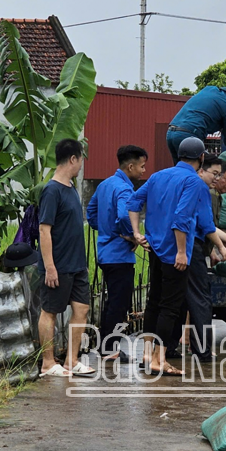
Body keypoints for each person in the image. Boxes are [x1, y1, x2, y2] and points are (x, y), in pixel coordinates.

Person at [128, 137, 226, 376]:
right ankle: (159, 360)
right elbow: (181, 219)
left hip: (154, 249)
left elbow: (133, 202)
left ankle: (147, 353)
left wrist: (136, 233)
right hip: (175, 253)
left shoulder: (157, 176)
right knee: (170, 307)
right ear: (201, 159)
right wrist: (182, 252)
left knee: (153, 302)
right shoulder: (193, 182)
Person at [174, 154, 226, 362]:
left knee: (180, 298)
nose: (220, 180)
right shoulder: (204, 191)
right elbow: (206, 226)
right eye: (217, 175)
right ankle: (202, 349)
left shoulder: (175, 182)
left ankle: (175, 344)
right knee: (200, 299)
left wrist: (221, 246)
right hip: (191, 248)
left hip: (183, 247)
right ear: (201, 170)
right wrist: (225, 247)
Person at [38, 139, 96, 377]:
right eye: (80, 159)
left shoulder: (71, 187)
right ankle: (48, 363)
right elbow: (44, 230)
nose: (81, 164)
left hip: (77, 264)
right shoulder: (52, 190)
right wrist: (50, 267)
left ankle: (72, 361)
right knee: (50, 311)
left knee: (82, 309)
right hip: (58, 265)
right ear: (73, 159)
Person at [85, 145, 148, 363]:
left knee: (112, 301)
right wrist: (132, 235)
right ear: (130, 166)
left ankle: (105, 346)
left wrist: (104, 230)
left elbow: (91, 213)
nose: (143, 171)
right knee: (119, 303)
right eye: (141, 166)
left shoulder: (104, 185)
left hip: (105, 253)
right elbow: (124, 214)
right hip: (120, 255)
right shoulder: (124, 188)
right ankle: (109, 348)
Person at [166, 83, 226, 165]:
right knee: (205, 169)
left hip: (171, 133)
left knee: (181, 170)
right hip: (188, 135)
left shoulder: (209, 89)